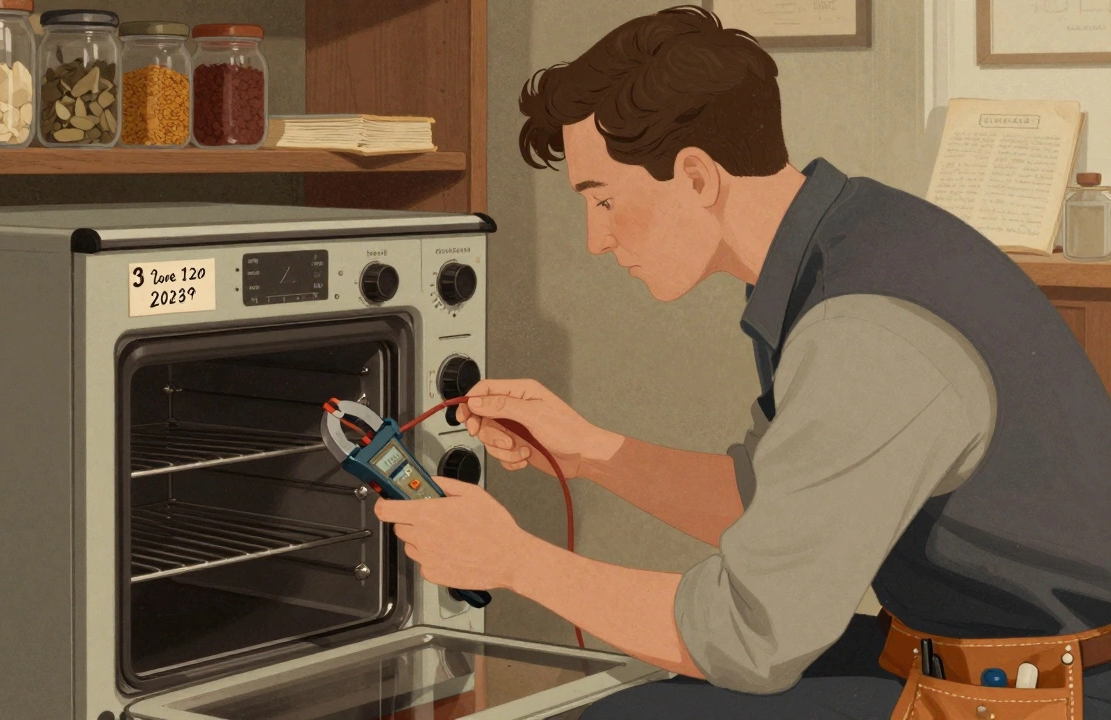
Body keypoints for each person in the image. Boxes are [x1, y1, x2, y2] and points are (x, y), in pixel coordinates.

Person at [373, 5, 1111, 717]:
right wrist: (590, 453)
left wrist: (513, 561)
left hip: (1044, 696)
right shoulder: (842, 241)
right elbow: (773, 500)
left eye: (603, 201)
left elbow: (753, 638)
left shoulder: (864, 331)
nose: (597, 240)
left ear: (697, 176)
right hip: (977, 656)